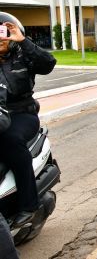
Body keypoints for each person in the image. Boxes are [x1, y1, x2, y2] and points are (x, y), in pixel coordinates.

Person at [0, 12, 56, 228]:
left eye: (4, 33)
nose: (1, 38)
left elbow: (48, 63)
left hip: (21, 115)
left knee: (10, 138)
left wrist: (22, 40)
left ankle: (28, 206)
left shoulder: (23, 56)